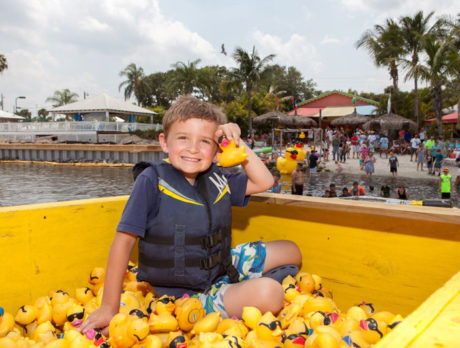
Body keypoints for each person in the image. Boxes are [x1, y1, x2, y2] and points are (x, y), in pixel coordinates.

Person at [79, 96, 302, 335]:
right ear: (164, 142)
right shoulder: (151, 181)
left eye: (205, 141)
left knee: (292, 250)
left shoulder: (218, 177)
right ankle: (239, 292)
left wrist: (237, 143)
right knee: (271, 294)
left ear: (216, 150)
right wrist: (109, 307)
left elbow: (265, 181)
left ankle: (238, 285)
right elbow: (123, 242)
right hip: (186, 292)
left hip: (221, 265)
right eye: (183, 138)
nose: (193, 149)